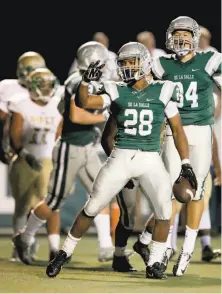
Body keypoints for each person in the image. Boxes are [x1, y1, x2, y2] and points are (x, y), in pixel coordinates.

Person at [46, 42, 197, 280]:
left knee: (164, 210)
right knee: (93, 206)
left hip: (150, 158)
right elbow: (84, 102)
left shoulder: (164, 90)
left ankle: (155, 262)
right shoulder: (117, 90)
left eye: (132, 61)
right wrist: (85, 81)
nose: (127, 66)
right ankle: (63, 254)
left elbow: (178, 131)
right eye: (124, 62)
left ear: (145, 63)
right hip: (122, 155)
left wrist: (186, 162)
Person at [12, 41, 118, 265]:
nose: (106, 67)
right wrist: (107, 118)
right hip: (71, 147)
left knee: (102, 193)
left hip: (88, 146)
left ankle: (106, 246)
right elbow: (77, 116)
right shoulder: (76, 82)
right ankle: (25, 237)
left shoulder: (90, 81)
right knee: (53, 201)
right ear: (92, 62)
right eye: (102, 62)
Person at [135, 16, 221, 276]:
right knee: (172, 193)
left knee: (196, 192)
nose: (181, 40)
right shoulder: (161, 65)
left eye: (186, 35)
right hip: (175, 133)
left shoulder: (211, 60)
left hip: (203, 131)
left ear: (194, 38)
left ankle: (186, 250)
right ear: (169, 38)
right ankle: (157, 250)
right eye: (177, 35)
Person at [9, 68, 63, 260]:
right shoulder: (20, 104)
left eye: (49, 85)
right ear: (32, 86)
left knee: (53, 204)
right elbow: (14, 134)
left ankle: (54, 248)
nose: (47, 89)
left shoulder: (57, 104)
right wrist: (23, 153)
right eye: (42, 85)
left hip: (48, 160)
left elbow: (59, 134)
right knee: (23, 206)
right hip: (25, 159)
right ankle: (21, 247)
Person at [0, 51, 48, 260]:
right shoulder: (8, 88)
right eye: (24, 69)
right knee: (22, 200)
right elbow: (3, 118)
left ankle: (28, 240)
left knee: (38, 201)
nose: (26, 73)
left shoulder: (47, 87)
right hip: (18, 148)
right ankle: (20, 244)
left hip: (42, 150)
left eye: (31, 69)